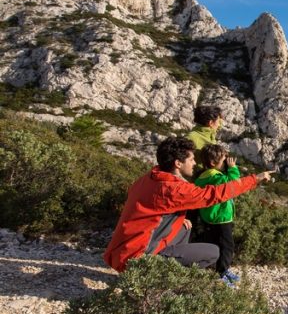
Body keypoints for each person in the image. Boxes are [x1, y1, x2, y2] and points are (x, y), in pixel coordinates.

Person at [103, 137, 273, 273]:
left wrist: (176, 218)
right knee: (214, 252)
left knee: (184, 226)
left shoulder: (150, 177)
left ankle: (165, 263)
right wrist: (255, 179)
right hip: (138, 258)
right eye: (191, 159)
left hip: (124, 251)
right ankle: (159, 279)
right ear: (178, 163)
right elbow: (216, 194)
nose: (194, 163)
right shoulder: (172, 189)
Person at [195, 144, 243, 284]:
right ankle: (222, 273)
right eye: (223, 160)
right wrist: (233, 169)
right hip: (221, 218)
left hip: (209, 218)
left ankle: (215, 269)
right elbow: (234, 185)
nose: (226, 163)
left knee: (214, 245)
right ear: (213, 163)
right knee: (227, 246)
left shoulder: (203, 177)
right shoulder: (217, 178)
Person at [187, 105, 223, 169]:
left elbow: (219, 126)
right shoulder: (190, 138)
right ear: (211, 123)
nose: (219, 124)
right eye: (218, 122)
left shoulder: (210, 134)